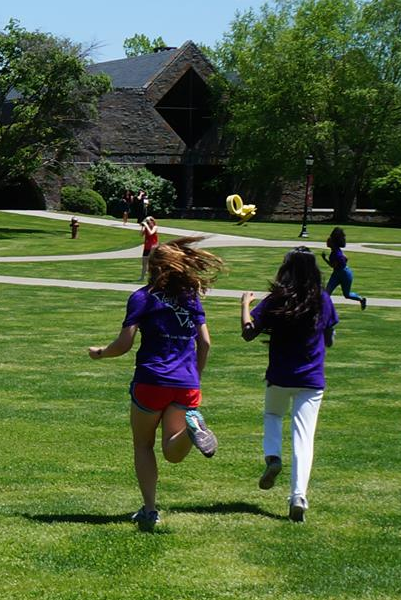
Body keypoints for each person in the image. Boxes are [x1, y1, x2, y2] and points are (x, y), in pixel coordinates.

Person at [87, 239, 222, 530]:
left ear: (155, 267)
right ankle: (192, 429)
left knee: (143, 444)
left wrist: (101, 352)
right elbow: (206, 343)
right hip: (186, 383)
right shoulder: (191, 297)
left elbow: (124, 344)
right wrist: (195, 376)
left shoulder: (143, 297)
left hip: (152, 380)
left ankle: (150, 510)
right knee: (173, 452)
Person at [241, 248, 338, 522]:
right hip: (311, 379)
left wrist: (245, 305)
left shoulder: (276, 300)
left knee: (273, 415)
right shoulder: (323, 299)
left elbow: (249, 333)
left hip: (281, 376)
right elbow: (329, 337)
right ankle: (298, 496)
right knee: (303, 437)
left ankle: (273, 456)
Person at [322, 228, 367, 310]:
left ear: (332, 243)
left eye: (328, 241)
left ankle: (361, 299)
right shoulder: (337, 251)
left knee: (346, 294)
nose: (327, 242)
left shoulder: (335, 254)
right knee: (327, 293)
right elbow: (346, 258)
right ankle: (324, 309)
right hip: (342, 272)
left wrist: (325, 259)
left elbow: (333, 265)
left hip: (343, 274)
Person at [138, 215, 160, 281]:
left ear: (152, 221)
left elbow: (151, 233)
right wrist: (142, 227)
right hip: (147, 246)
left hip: (153, 246)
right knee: (144, 262)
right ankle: (142, 277)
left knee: (152, 262)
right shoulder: (146, 228)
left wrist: (146, 226)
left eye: (148, 221)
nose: (147, 222)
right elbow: (141, 235)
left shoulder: (155, 227)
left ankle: (154, 277)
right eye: (146, 221)